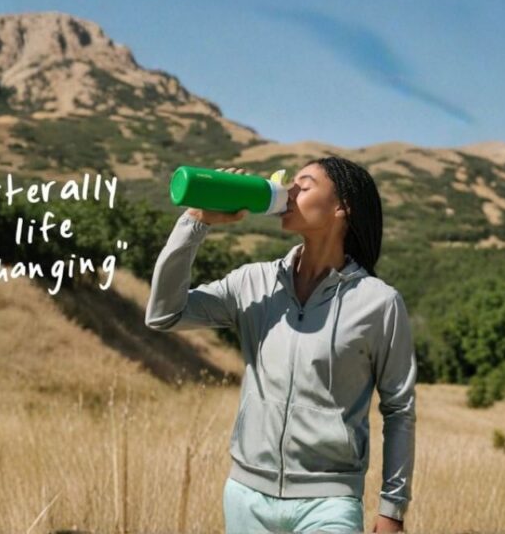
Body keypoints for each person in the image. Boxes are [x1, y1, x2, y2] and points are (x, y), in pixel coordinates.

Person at [145, 157, 416, 533]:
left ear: (342, 207)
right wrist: (196, 221)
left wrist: (392, 509)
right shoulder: (252, 284)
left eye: (304, 185)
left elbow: (399, 410)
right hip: (247, 496)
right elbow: (163, 314)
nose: (289, 191)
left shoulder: (379, 304)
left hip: (329, 503)